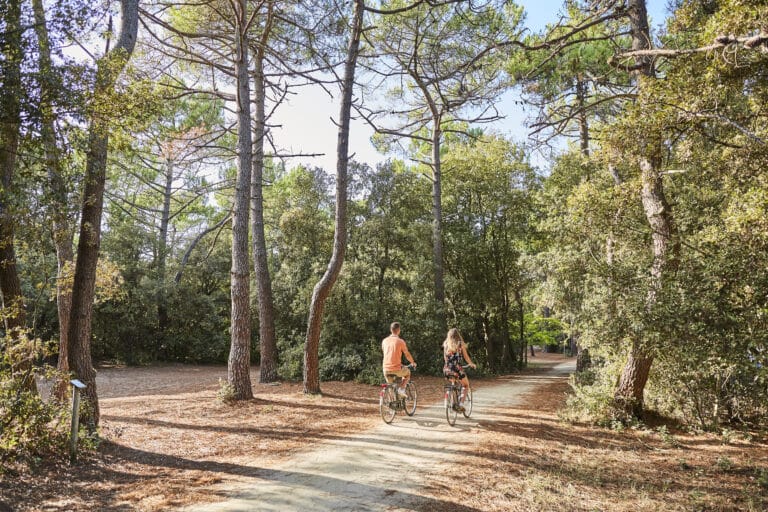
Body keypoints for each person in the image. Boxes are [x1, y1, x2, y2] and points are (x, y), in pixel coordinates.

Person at [443, 328, 476, 411]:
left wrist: (448, 366)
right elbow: (466, 357)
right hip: (456, 369)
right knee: (466, 385)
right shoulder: (460, 344)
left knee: (453, 383)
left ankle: (453, 402)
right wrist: (471, 364)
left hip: (447, 369)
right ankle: (460, 404)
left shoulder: (446, 344)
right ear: (458, 335)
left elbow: (445, 359)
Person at [382, 322, 416, 396]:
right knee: (407, 373)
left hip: (385, 369)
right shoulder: (400, 341)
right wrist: (413, 362)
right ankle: (402, 389)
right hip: (396, 368)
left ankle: (392, 403)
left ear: (391, 330)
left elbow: (387, 354)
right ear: (399, 330)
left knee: (390, 387)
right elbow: (407, 354)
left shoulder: (384, 341)